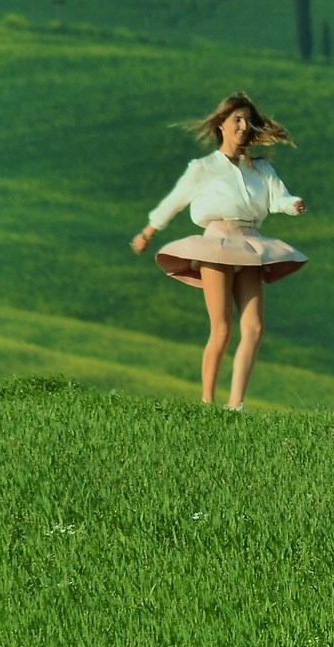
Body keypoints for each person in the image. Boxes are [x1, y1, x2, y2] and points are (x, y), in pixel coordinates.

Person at [130, 92, 308, 410]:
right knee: (222, 329)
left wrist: (292, 204)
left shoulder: (262, 170)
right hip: (216, 245)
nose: (243, 126)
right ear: (221, 124)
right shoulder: (203, 168)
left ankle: (235, 405)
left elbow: (278, 198)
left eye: (247, 121)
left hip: (250, 244)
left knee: (254, 328)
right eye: (236, 120)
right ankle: (207, 402)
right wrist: (148, 232)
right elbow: (174, 201)